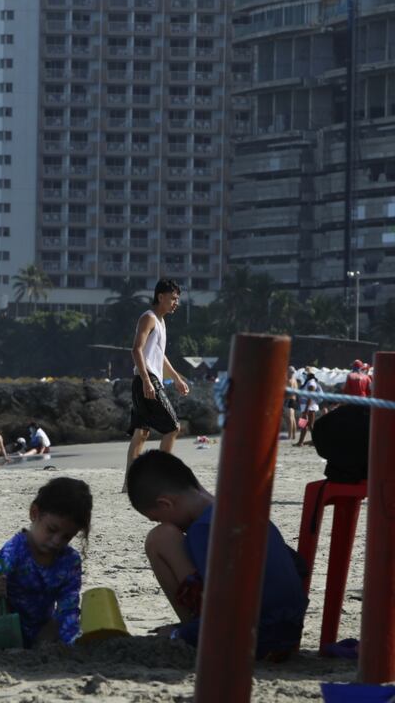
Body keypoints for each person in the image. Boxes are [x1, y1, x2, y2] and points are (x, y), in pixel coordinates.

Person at [125, 450, 307, 660]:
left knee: (159, 539)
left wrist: (180, 634)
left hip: (254, 639)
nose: (163, 524)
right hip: (289, 631)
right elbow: (298, 566)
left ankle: (190, 630)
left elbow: (225, 611)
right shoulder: (245, 510)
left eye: (158, 519)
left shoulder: (203, 531)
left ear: (166, 504)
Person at [0, 477, 92, 649]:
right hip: (6, 624)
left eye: (66, 537)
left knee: (65, 619)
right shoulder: (16, 548)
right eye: (52, 530)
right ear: (34, 513)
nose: (57, 541)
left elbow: (68, 606)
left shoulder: (70, 561)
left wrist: (70, 644)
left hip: (42, 632)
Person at [124, 279, 190, 492]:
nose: (176, 303)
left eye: (177, 299)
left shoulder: (161, 322)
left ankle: (129, 484)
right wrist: (146, 380)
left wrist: (177, 378)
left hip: (146, 380)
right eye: (173, 298)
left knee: (141, 432)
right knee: (172, 427)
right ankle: (162, 478)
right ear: (160, 297)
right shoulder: (149, 318)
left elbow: (160, 356)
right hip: (147, 380)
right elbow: (136, 349)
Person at [294, 371, 321, 448]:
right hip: (307, 407)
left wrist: (306, 409)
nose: (303, 375)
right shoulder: (308, 382)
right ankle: (314, 441)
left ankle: (300, 442)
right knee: (309, 425)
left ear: (309, 375)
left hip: (309, 407)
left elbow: (310, 397)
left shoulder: (311, 383)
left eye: (305, 374)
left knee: (303, 424)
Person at [282, 367, 298, 440]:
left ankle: (290, 435)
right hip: (293, 400)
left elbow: (288, 392)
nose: (291, 373)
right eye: (291, 372)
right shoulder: (294, 380)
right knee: (292, 418)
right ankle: (293, 435)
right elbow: (296, 391)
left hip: (289, 400)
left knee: (290, 418)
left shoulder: (289, 380)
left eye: (292, 372)